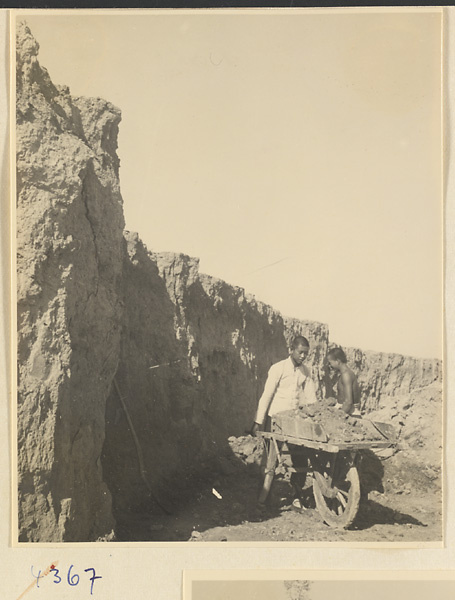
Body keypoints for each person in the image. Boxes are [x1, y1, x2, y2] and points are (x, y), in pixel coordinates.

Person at [250, 335, 318, 510]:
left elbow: (311, 398)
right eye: (300, 352)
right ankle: (263, 498)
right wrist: (259, 420)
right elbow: (267, 395)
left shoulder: (306, 372)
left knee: (300, 459)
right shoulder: (278, 368)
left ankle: (296, 496)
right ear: (292, 350)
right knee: (270, 460)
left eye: (306, 353)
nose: (303, 356)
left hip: (295, 421)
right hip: (276, 420)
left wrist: (314, 416)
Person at [326, 347, 361, 416]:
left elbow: (348, 402)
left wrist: (338, 417)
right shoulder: (345, 374)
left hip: (350, 414)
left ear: (338, 361)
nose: (330, 366)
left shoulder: (346, 375)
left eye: (330, 363)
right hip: (347, 412)